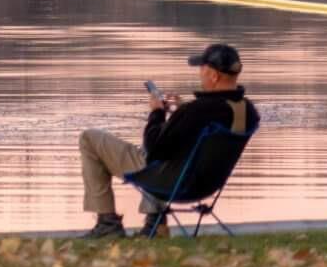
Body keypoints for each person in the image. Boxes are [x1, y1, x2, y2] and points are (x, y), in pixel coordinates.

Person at [79, 42, 259, 238]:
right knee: (166, 154)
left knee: (89, 138)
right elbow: (209, 120)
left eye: (202, 68)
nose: (199, 73)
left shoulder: (196, 111)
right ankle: (155, 224)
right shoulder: (248, 112)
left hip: (174, 183)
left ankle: (108, 224)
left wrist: (157, 113)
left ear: (214, 76)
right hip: (206, 185)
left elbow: (154, 149)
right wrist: (180, 114)